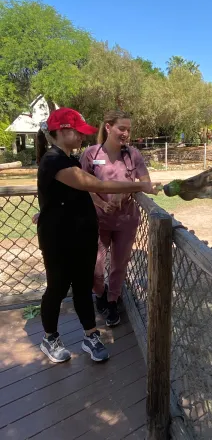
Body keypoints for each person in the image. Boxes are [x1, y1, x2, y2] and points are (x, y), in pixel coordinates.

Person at [34, 108, 159, 364]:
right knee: (57, 288)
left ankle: (90, 335)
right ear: (62, 131)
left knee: (82, 286)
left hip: (81, 235)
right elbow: (96, 185)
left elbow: (64, 196)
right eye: (78, 131)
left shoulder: (70, 158)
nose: (82, 136)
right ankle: (50, 337)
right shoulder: (53, 160)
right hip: (59, 238)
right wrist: (140, 185)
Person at [80, 110, 152, 327]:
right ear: (109, 127)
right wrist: (101, 203)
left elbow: (146, 183)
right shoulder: (91, 154)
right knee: (96, 267)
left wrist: (124, 192)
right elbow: (83, 185)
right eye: (122, 128)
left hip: (126, 220)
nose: (126, 133)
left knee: (119, 265)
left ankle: (112, 302)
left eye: (129, 129)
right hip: (97, 220)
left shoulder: (133, 155)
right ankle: (99, 295)